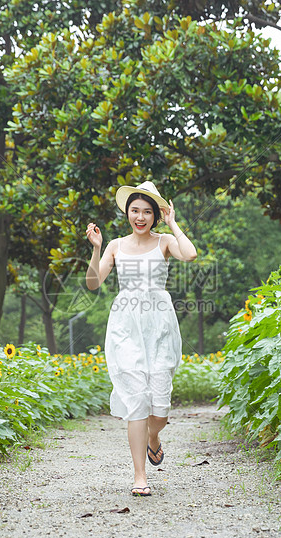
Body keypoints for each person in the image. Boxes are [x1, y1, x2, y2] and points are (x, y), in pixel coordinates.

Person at [85, 181, 198, 497]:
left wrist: (173, 222)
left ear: (156, 215)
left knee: (158, 411)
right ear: (127, 212)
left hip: (159, 326)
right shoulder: (115, 246)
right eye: (135, 210)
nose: (140, 216)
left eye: (147, 211)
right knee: (136, 401)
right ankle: (140, 477)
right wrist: (96, 248)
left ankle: (153, 438)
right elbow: (94, 283)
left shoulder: (164, 241)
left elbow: (189, 254)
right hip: (126, 327)